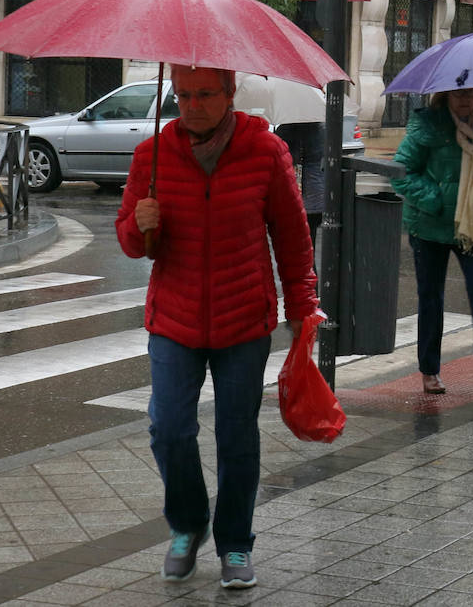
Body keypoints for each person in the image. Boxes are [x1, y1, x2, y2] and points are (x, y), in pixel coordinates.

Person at [115, 65, 318, 589]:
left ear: (231, 95)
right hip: (174, 317)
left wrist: (303, 308)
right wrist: (139, 224)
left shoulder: (265, 152)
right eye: (183, 95)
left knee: (237, 436)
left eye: (204, 94)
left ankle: (234, 544)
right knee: (168, 428)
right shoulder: (152, 156)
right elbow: (131, 242)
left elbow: (292, 238)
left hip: (243, 319)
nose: (192, 105)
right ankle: (187, 525)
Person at [392, 87, 473, 395]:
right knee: (431, 298)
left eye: (470, 95)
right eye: (458, 94)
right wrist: (436, 201)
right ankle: (429, 370)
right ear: (445, 95)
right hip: (430, 226)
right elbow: (401, 171)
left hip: (472, 227)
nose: (465, 100)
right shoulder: (427, 125)